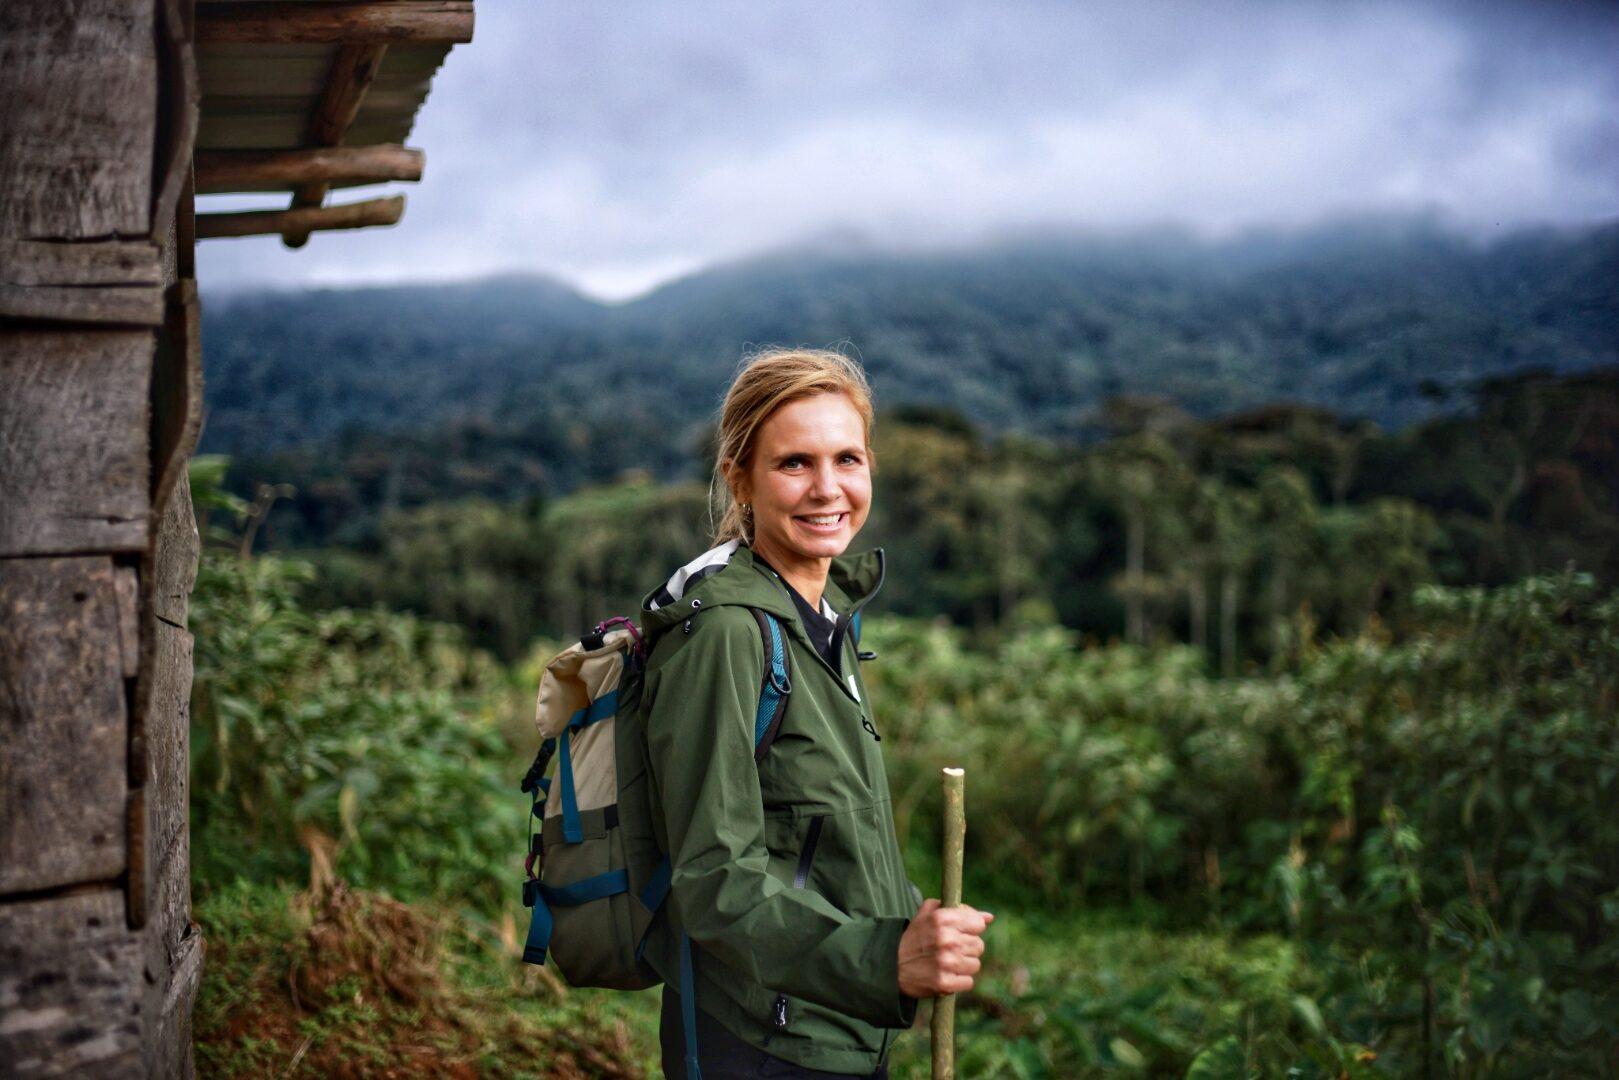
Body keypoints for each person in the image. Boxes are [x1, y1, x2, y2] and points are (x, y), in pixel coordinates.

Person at [635, 348, 994, 1079]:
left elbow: (816, 834)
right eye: (794, 463)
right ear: (739, 476)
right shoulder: (728, 635)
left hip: (841, 1024)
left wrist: (913, 924)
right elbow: (714, 879)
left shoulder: (822, 619)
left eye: (847, 459)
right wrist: (882, 956)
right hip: (760, 1040)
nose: (827, 489)